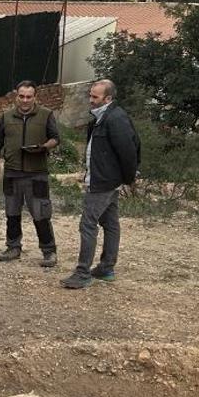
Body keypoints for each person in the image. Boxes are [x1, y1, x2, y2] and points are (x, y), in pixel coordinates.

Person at [62, 79, 140, 289]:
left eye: (95, 97)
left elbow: (129, 150)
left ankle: (83, 273)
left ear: (108, 98)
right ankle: (106, 268)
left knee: (88, 224)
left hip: (104, 182)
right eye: (90, 95)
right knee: (110, 223)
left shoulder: (115, 119)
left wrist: (129, 178)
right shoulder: (102, 117)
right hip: (104, 179)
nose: (90, 100)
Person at [0, 80, 61, 266]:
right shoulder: (6, 116)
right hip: (12, 173)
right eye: (21, 96)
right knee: (12, 213)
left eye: (29, 97)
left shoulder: (46, 114)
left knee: (41, 214)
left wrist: (44, 147)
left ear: (35, 97)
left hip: (37, 173)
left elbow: (55, 138)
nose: (25, 100)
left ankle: (49, 251)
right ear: (16, 96)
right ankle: (13, 248)